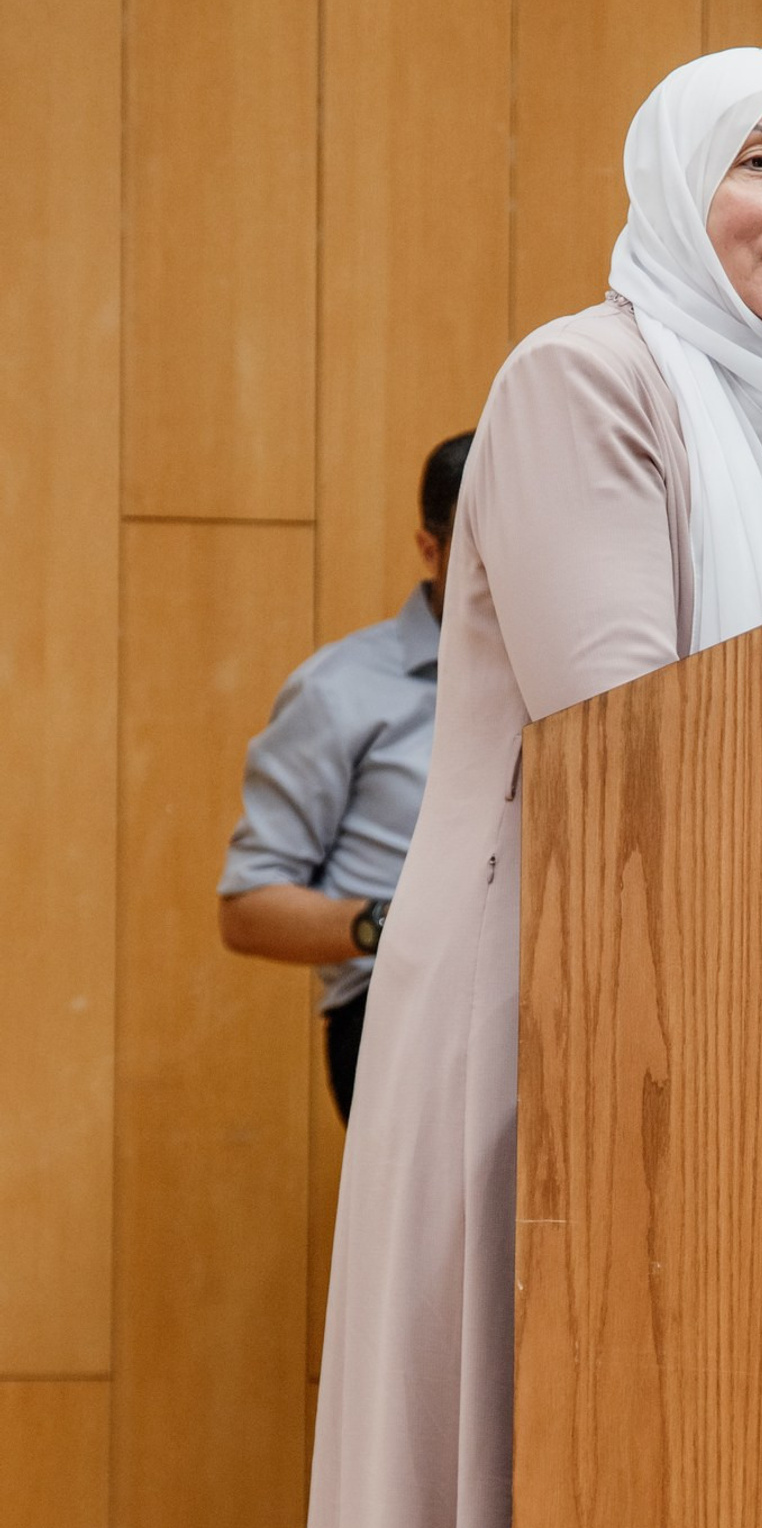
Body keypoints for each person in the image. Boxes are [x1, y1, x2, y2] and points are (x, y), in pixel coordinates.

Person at [287, 49, 762, 1528]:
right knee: (521, 1476)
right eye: (757, 160)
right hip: (548, 1017)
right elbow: (627, 733)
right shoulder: (582, 381)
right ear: (673, 190)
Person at [218, 433, 474, 1120]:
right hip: (398, 1015)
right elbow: (248, 909)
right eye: (484, 547)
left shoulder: (567, 677)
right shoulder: (341, 690)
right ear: (430, 548)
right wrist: (395, 923)